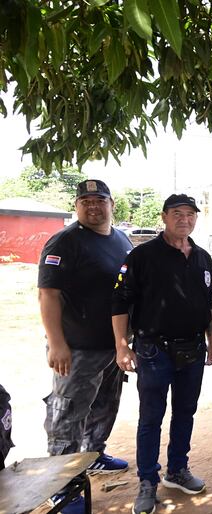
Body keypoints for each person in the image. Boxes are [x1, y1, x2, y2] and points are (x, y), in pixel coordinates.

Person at [113, 194, 212, 514]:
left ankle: (177, 470)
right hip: (153, 350)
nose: (184, 219)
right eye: (177, 213)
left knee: (186, 412)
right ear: (164, 217)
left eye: (190, 214)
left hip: (193, 350)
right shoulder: (142, 255)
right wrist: (121, 344)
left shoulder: (202, 258)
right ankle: (147, 481)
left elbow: (206, 305)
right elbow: (119, 301)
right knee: (151, 417)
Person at [38, 179, 133, 513]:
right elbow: (47, 295)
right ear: (77, 206)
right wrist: (56, 343)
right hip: (76, 349)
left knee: (105, 405)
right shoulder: (65, 242)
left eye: (100, 200)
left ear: (112, 205)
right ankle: (60, 484)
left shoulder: (121, 239)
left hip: (113, 347)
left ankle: (94, 454)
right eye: (86, 201)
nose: (93, 206)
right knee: (66, 414)